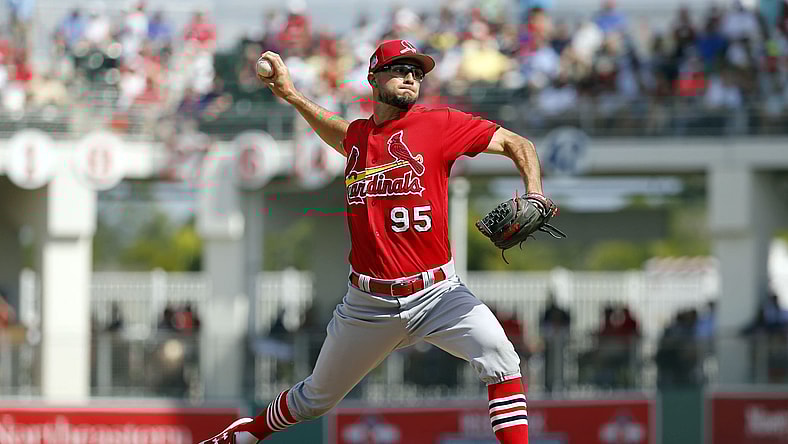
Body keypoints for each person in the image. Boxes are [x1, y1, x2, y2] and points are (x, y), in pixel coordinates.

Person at [201, 39, 557, 444]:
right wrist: (291, 95)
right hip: (368, 305)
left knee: (501, 358)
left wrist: (535, 193)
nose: (411, 78)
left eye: (417, 73)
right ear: (373, 77)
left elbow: (518, 144)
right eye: (400, 69)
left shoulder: (438, 124)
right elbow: (336, 131)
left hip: (438, 292)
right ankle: (241, 436)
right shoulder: (357, 139)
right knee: (315, 400)